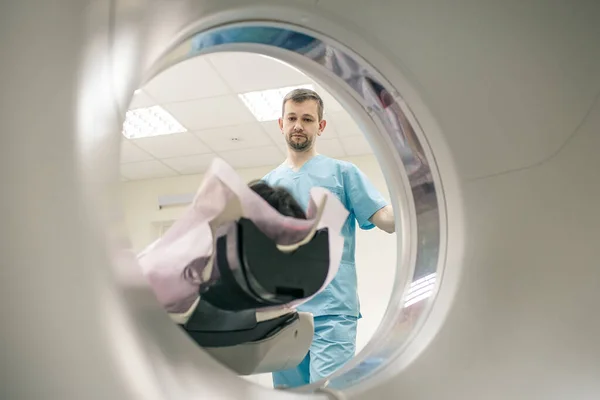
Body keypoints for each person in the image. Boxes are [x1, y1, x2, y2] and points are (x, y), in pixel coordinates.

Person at [261, 88, 396, 388]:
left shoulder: (343, 173)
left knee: (326, 392)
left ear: (320, 127)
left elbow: (386, 219)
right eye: (292, 118)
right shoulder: (268, 185)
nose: (299, 125)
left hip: (332, 312)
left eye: (307, 119)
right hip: (284, 316)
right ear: (280, 124)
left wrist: (423, 199)